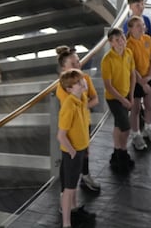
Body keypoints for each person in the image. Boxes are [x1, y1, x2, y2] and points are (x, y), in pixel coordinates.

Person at [55, 46, 100, 193]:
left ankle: (85, 177)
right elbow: (72, 105)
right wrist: (84, 105)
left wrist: (83, 106)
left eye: (78, 62)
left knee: (85, 153)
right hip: (71, 128)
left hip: (84, 123)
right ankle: (65, 194)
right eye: (73, 64)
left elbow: (95, 99)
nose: (78, 65)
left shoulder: (85, 78)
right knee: (68, 161)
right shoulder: (62, 87)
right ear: (64, 69)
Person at [56, 69, 96, 228]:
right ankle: (66, 223)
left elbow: (83, 125)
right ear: (69, 89)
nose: (83, 82)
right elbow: (61, 135)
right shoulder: (69, 106)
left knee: (73, 186)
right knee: (69, 189)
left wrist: (85, 146)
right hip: (73, 152)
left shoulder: (82, 99)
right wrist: (72, 151)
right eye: (78, 83)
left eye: (82, 80)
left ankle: (74, 209)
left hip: (80, 149)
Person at [100, 28, 136, 173]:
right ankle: (122, 151)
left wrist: (131, 96)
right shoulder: (107, 60)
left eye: (122, 38)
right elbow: (108, 86)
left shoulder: (128, 53)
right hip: (114, 97)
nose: (121, 42)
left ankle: (116, 151)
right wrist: (123, 100)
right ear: (111, 43)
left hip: (126, 94)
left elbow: (132, 75)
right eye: (117, 40)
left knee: (118, 125)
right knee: (126, 128)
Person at [126, 15, 151, 151]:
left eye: (143, 25)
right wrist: (141, 81)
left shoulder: (147, 39)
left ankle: (148, 127)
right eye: (138, 26)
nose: (142, 28)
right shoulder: (129, 44)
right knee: (136, 108)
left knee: (149, 105)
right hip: (135, 79)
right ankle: (135, 134)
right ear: (131, 29)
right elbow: (132, 67)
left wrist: (149, 75)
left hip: (148, 76)